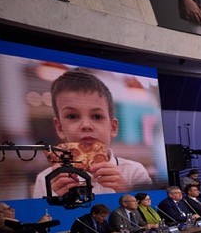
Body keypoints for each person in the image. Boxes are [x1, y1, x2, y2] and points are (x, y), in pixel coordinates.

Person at [32, 69, 153, 199]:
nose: (86, 125)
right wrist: (58, 198)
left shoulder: (134, 172)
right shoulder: (46, 180)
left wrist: (125, 191)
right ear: (60, 127)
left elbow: (150, 212)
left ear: (112, 127)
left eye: (96, 116)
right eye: (73, 116)